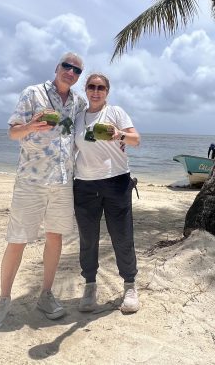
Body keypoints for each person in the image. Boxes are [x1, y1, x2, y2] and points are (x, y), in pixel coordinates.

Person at [0, 52, 87, 332]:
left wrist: (117, 143)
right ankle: (3, 299)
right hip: (31, 179)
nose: (71, 72)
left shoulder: (78, 102)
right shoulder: (33, 93)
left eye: (77, 70)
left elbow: (84, 134)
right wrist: (31, 126)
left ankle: (46, 294)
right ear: (57, 68)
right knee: (18, 239)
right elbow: (13, 133)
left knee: (55, 237)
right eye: (67, 66)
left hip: (63, 181)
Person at [73, 73, 142, 314]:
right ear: (86, 89)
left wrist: (119, 135)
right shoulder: (78, 117)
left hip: (116, 182)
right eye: (91, 86)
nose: (96, 91)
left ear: (107, 91)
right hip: (84, 185)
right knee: (88, 238)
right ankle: (90, 286)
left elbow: (136, 140)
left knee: (122, 237)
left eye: (100, 87)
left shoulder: (116, 112)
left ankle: (130, 286)